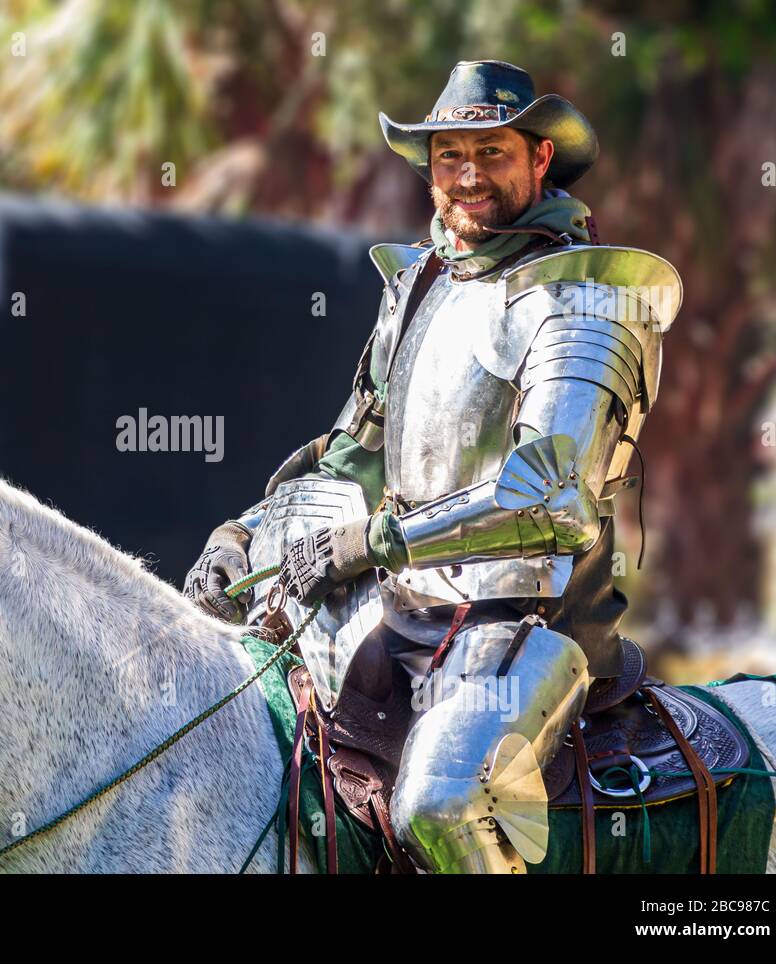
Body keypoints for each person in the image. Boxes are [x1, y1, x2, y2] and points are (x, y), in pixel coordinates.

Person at [181, 60, 682, 873]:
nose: (469, 175)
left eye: (492, 152)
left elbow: (553, 498)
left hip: (529, 619)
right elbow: (351, 453)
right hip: (404, 608)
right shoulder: (421, 285)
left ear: (540, 159)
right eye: (450, 156)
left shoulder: (587, 297)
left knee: (444, 803)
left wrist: (369, 544)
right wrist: (244, 533)